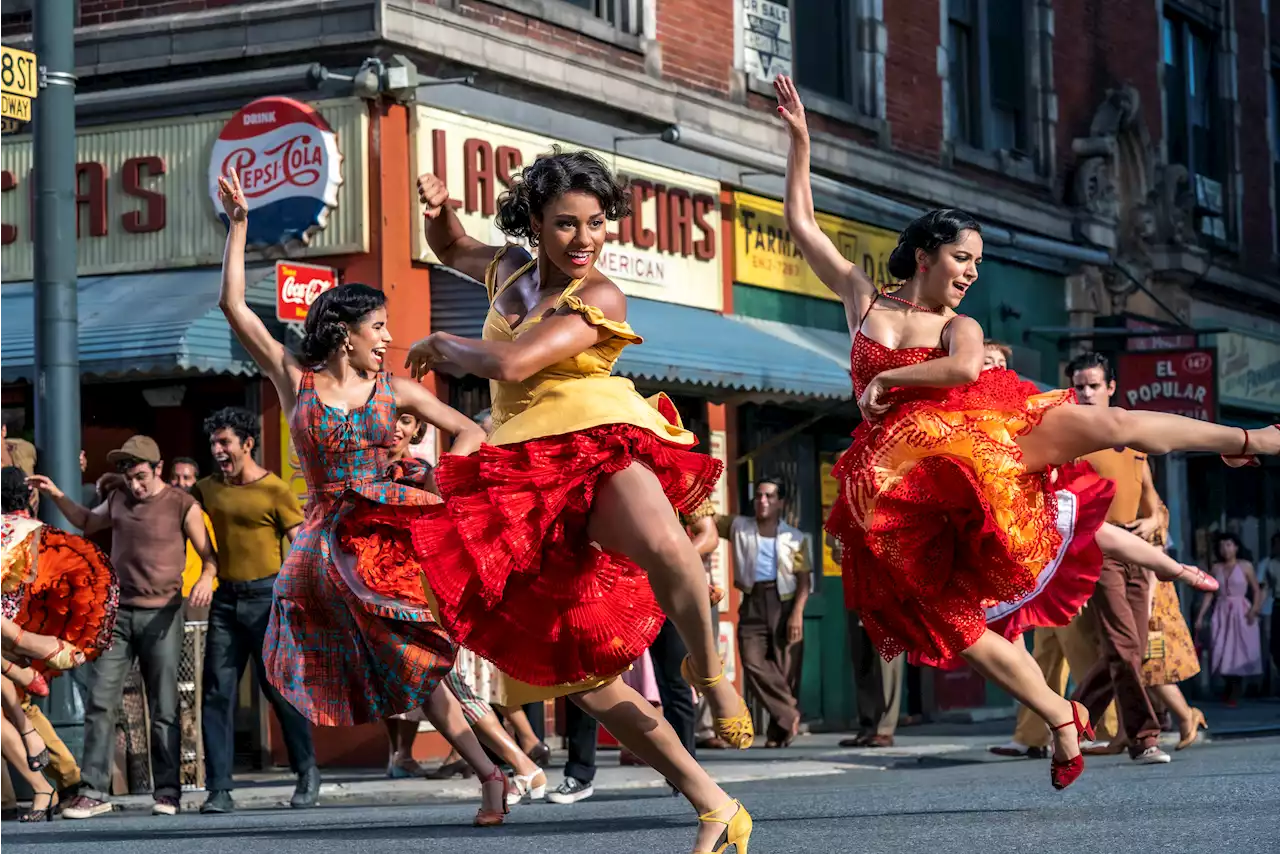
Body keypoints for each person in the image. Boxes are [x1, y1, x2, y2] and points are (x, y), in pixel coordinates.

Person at [774, 74, 1270, 791]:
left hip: (980, 443)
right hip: (901, 490)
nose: (972, 272)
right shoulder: (862, 298)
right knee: (956, 631)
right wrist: (800, 143)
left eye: (977, 262)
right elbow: (803, 226)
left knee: (1111, 423)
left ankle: (1251, 441)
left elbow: (963, 368)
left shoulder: (959, 325)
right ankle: (1061, 717)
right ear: (925, 256)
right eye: (962, 259)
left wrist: (890, 381)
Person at [337, 150, 753, 853]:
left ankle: (710, 675)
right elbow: (454, 248)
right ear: (535, 223)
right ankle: (715, 804)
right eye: (566, 224)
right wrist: (438, 211)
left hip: (596, 445)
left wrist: (443, 342)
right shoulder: (508, 274)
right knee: (585, 680)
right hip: (525, 479)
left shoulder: (603, 296)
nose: (585, 239)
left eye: (596, 223)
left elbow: (513, 363)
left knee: (670, 548)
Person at [213, 169, 513, 826]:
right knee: (385, 670)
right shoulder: (297, 382)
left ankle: (493, 774)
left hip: (393, 547)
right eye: (377, 327)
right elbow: (235, 308)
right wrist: (239, 226)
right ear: (346, 332)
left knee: (416, 667)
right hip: (324, 552)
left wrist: (435, 492)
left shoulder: (398, 391)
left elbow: (465, 432)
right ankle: (493, 770)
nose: (386, 338)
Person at [29, 437, 214, 819]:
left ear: (158, 468)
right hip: (119, 617)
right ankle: (93, 790)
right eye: (130, 478)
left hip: (163, 615)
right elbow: (84, 521)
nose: (136, 486)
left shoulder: (183, 504)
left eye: (142, 477)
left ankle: (167, 792)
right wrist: (58, 494)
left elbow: (210, 557)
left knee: (164, 708)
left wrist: (204, 579)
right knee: (100, 700)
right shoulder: (118, 499)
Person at [191, 406, 319, 814]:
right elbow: (174, 508)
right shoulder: (207, 489)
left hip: (268, 599)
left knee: (279, 692)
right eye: (214, 443)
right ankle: (220, 789)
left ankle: (307, 770)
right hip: (226, 599)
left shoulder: (275, 490)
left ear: (247, 443)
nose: (217, 450)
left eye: (225, 442)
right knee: (216, 693)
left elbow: (300, 543)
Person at [718, 477, 810, 748]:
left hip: (784, 601)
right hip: (753, 599)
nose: (763, 501)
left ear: (781, 502)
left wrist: (797, 614)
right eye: (758, 496)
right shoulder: (739, 526)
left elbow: (804, 579)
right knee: (752, 660)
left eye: (770, 496)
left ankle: (778, 732)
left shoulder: (795, 537)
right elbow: (707, 519)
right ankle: (789, 713)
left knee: (784, 668)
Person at [1196, 533, 1264, 706]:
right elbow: (1209, 593)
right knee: (1220, 648)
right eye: (1222, 546)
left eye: (1228, 545)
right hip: (1221, 611)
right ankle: (1228, 686)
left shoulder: (1245, 566)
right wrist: (1200, 616)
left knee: (1239, 650)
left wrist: (1255, 609)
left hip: (1241, 610)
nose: (1225, 549)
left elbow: (1256, 589)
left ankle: (1234, 690)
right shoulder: (1216, 568)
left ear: (1236, 547)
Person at [168, 457, 218, 616]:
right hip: (166, 595)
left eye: (187, 478)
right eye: (175, 477)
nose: (180, 483)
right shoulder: (160, 515)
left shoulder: (204, 517)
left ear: (196, 481)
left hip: (197, 594)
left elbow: (214, 557)